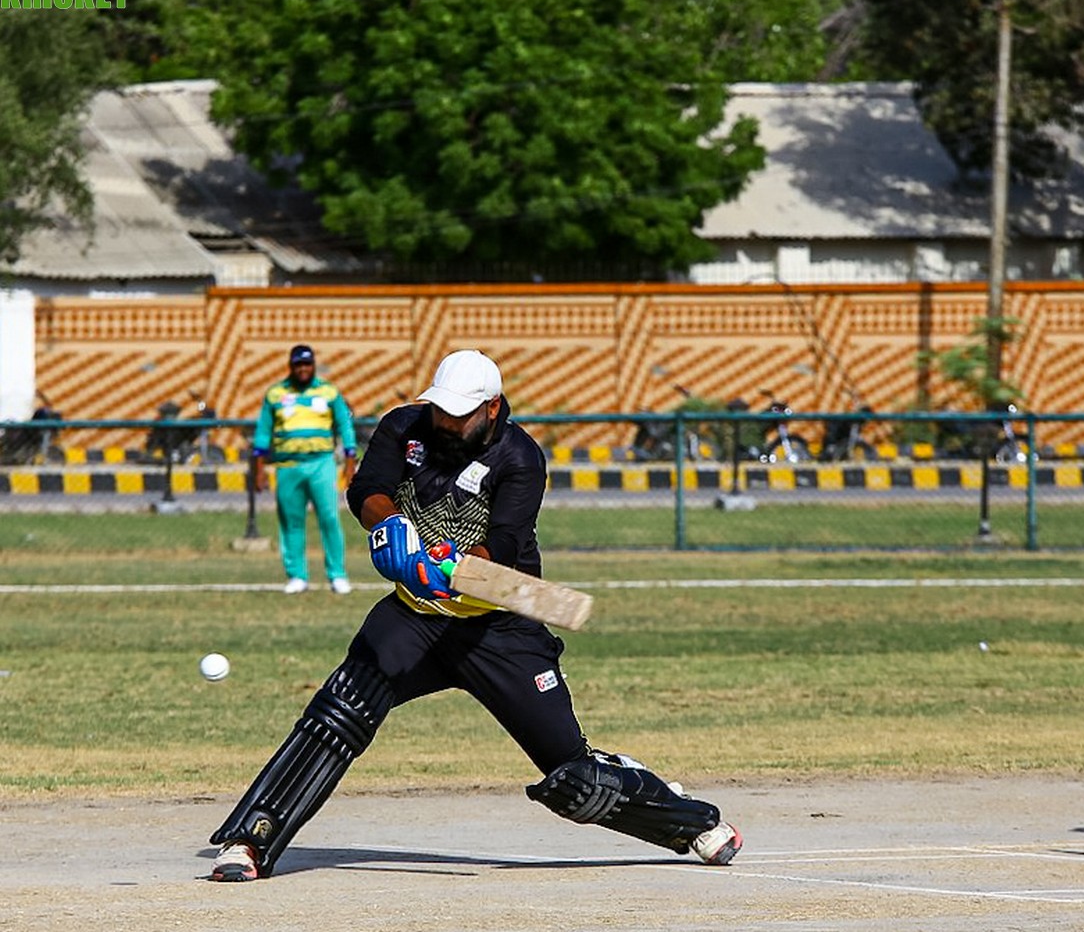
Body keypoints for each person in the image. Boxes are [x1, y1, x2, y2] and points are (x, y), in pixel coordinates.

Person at [208, 349, 741, 881]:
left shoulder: (520, 457)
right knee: (338, 713)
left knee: (574, 779)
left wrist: (453, 568)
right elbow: (366, 490)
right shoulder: (404, 427)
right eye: (441, 409)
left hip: (498, 627)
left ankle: (691, 820)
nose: (446, 421)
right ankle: (250, 841)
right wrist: (391, 528)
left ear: (491, 408)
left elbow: (505, 543)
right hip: (414, 617)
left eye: (459, 414)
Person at [253, 344, 358, 595]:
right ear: (290, 366)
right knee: (291, 521)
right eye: (298, 364)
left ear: (313, 365)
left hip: (321, 463)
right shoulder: (276, 393)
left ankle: (337, 575)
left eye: (307, 364)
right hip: (288, 465)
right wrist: (259, 469)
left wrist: (350, 462)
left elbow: (345, 426)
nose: (303, 369)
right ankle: (297, 576)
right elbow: (263, 432)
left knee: (329, 518)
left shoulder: (328, 391)